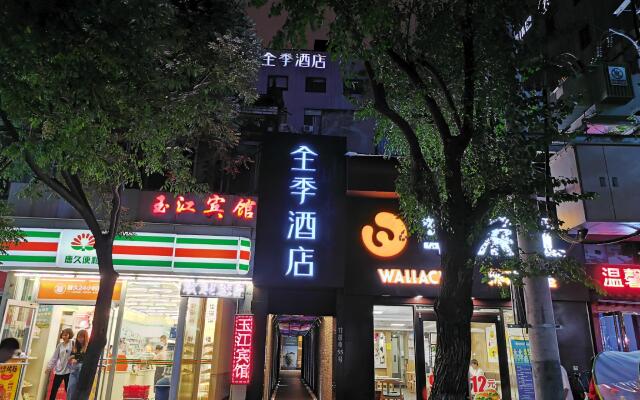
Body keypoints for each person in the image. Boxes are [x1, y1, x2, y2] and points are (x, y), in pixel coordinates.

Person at [46, 328, 74, 400]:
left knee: (68, 389)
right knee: (54, 389)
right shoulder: (60, 345)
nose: (64, 337)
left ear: (69, 335)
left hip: (69, 371)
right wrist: (49, 367)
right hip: (59, 370)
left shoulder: (72, 343)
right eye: (63, 335)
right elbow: (54, 357)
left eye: (66, 335)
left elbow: (76, 354)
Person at [66, 329, 88, 399]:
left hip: (83, 369)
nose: (80, 339)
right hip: (74, 369)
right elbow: (71, 356)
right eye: (78, 337)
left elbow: (85, 357)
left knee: (81, 390)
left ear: (85, 338)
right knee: (70, 388)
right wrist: (72, 358)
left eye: (82, 337)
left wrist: (75, 357)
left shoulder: (88, 347)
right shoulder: (75, 346)